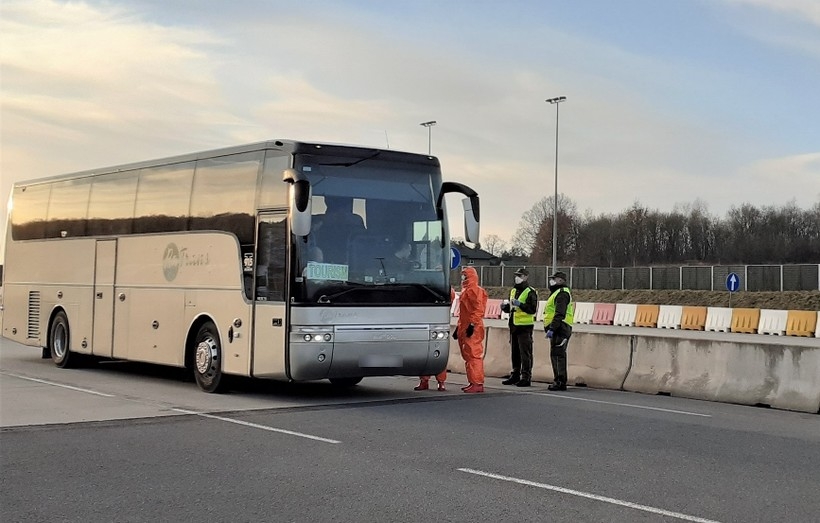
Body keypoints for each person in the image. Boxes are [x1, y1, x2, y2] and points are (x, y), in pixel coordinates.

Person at [500, 268, 538, 387]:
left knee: (525, 353)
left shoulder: (530, 291)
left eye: (520, 275)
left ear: (526, 277)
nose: (517, 278)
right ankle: (515, 374)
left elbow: (532, 310)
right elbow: (512, 308)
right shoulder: (513, 291)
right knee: (515, 353)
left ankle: (526, 376)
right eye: (516, 275)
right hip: (514, 326)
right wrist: (505, 308)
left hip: (525, 327)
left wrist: (520, 304)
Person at [453, 266, 488, 393]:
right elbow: (464, 313)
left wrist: (472, 325)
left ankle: (477, 383)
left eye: (465, 275)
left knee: (474, 355)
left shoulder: (474, 290)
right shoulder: (467, 290)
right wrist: (459, 327)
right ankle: (473, 381)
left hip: (473, 327)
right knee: (468, 355)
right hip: (466, 326)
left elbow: (478, 309)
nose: (463, 278)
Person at [414, 285, 455, 391]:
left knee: (429, 355)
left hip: (431, 322)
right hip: (436, 322)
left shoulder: (423, 288)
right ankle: (437, 382)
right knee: (435, 355)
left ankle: (430, 381)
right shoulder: (445, 290)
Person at [543, 271, 574, 391]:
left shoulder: (562, 294)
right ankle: (558, 380)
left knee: (558, 355)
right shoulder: (557, 293)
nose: (552, 281)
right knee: (556, 354)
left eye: (554, 279)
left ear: (561, 280)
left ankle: (560, 381)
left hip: (561, 327)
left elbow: (559, 313)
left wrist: (552, 328)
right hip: (559, 327)